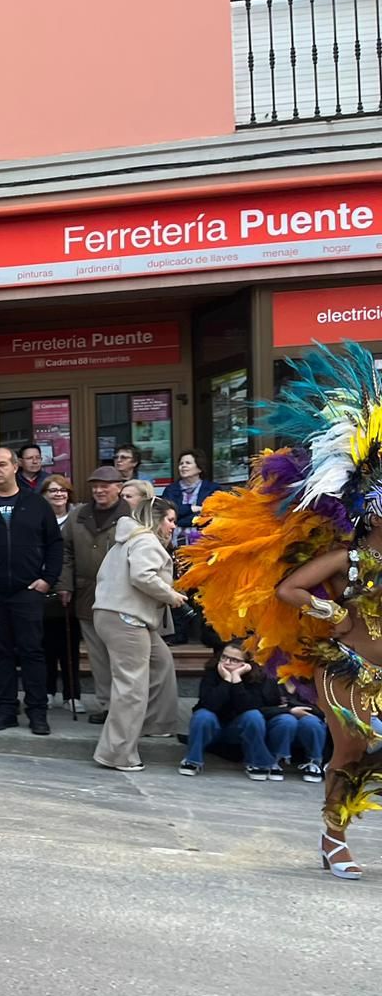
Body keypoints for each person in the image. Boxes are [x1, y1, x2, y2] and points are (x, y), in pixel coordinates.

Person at [179, 339, 382, 881]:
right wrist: (330, 611)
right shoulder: (349, 556)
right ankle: (333, 838)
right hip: (346, 667)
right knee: (355, 749)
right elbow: (290, 588)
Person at [0, 447, 62, 735]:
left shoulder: (36, 504)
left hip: (27, 592)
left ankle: (37, 712)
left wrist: (47, 580)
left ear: (15, 467)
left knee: (32, 652)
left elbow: (54, 544)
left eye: (2, 464)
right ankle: (5, 710)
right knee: (0, 653)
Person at [90, 491, 185, 771]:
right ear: (155, 519)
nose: (173, 526)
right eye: (170, 520)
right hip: (127, 618)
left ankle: (154, 723)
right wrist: (171, 595)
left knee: (161, 661)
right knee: (131, 687)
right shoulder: (145, 540)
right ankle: (117, 754)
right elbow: (143, 576)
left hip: (116, 614)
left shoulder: (129, 539)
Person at [59, 466, 130, 724]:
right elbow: (65, 551)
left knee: (121, 656)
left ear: (119, 487)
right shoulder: (78, 515)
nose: (99, 490)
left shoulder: (131, 515)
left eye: (105, 485)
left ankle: (126, 708)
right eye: (95, 486)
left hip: (123, 598)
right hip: (87, 594)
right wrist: (64, 584)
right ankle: (107, 704)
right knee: (98, 656)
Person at [181, 641, 283, 779]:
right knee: (203, 715)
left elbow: (249, 708)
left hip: (237, 730)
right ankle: (192, 761)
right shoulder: (213, 673)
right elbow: (209, 704)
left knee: (253, 716)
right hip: (213, 728)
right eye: (224, 657)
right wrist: (226, 681)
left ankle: (256, 763)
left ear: (246, 663)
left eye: (234, 660)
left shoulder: (256, 677)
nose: (227, 662)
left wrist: (237, 681)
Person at [162, 450, 219, 644]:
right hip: (175, 547)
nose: (183, 466)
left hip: (205, 548)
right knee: (178, 588)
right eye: (181, 463)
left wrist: (185, 514)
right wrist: (195, 509)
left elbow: (211, 515)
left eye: (187, 463)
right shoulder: (171, 490)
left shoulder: (212, 489)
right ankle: (179, 634)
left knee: (203, 591)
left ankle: (207, 634)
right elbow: (169, 513)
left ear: (199, 467)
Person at [40, 475, 80, 709]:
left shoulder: (78, 517)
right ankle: (48, 690)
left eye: (62, 490)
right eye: (52, 491)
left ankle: (72, 695)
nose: (58, 494)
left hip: (72, 589)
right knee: (45, 644)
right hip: (43, 587)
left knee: (69, 644)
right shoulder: (38, 517)